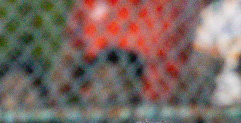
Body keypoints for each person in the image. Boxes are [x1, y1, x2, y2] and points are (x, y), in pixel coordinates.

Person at [52, 0, 197, 105]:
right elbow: (70, 54)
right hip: (94, 104)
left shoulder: (172, 7)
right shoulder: (89, 4)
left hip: (154, 105)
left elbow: (189, 64)